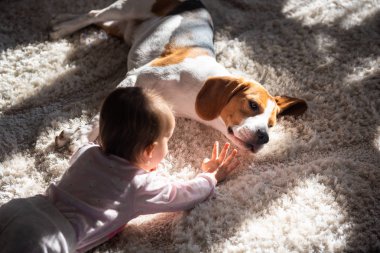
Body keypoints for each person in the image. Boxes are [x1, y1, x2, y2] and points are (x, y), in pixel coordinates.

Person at [0, 87, 239, 253]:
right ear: (149, 151)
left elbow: (82, 147)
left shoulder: (87, 153)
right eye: (167, 140)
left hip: (22, 208)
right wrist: (211, 176)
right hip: (51, 238)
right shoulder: (138, 185)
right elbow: (185, 195)